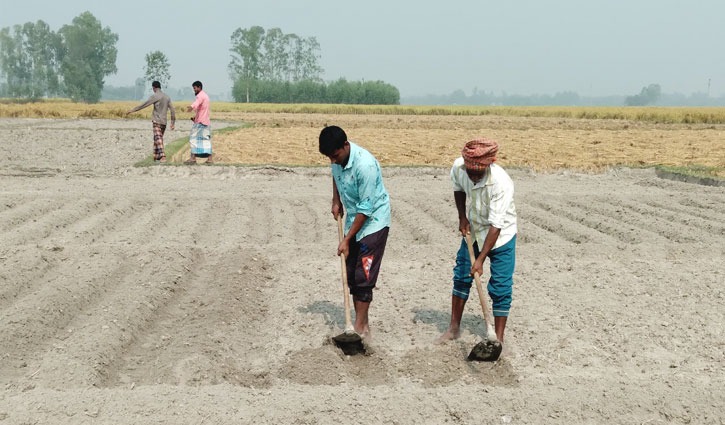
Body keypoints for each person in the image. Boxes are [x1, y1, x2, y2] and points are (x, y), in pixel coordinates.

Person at [437, 138, 518, 348]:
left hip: (501, 235)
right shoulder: (458, 168)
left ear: (488, 165)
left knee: (500, 287)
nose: (472, 177)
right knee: (462, 275)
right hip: (474, 229)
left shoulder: (501, 183)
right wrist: (462, 217)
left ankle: (497, 339)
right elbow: (458, 189)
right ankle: (454, 328)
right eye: (469, 172)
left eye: (477, 173)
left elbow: (496, 224)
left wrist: (481, 259)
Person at [319, 125, 391, 340]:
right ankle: (364, 324)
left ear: (345, 146)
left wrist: (346, 239)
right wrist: (336, 199)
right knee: (351, 272)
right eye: (329, 158)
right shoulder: (336, 159)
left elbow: (366, 209)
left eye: (335, 156)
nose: (333, 161)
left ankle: (359, 328)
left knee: (363, 275)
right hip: (353, 218)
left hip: (374, 222)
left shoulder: (365, 165)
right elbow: (336, 174)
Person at [126, 81, 176, 162]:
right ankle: (156, 157)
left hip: (156, 121)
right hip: (164, 122)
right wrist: (172, 123)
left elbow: (144, 105)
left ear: (154, 87)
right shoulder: (167, 97)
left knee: (158, 138)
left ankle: (163, 156)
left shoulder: (155, 96)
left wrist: (132, 110)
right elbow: (173, 110)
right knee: (157, 138)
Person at [185, 80, 212, 164]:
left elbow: (197, 103)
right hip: (205, 121)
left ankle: (193, 158)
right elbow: (202, 110)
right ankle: (210, 159)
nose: (194, 90)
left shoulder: (200, 96)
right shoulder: (206, 96)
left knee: (193, 138)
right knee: (206, 140)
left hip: (200, 122)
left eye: (195, 88)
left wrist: (191, 107)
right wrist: (195, 118)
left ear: (199, 87)